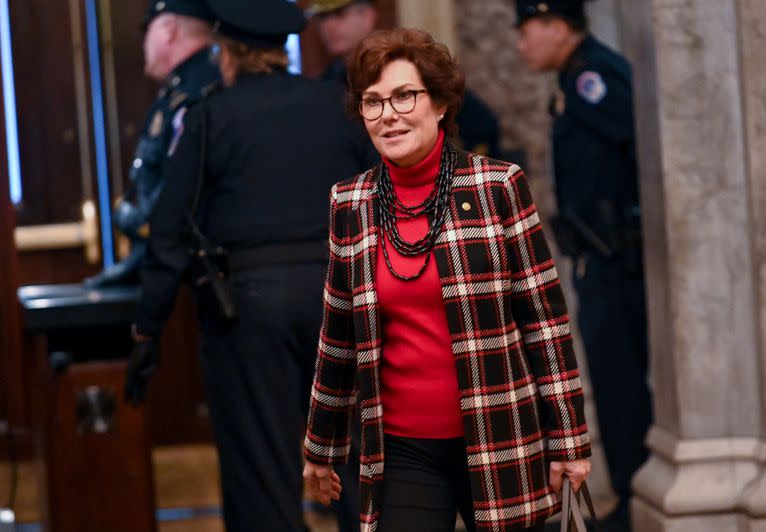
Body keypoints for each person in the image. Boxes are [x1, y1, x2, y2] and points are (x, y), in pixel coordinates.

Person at [303, 28, 592, 532]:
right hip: (402, 451)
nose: (388, 114)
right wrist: (321, 449)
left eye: (403, 96)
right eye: (372, 102)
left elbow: (545, 324)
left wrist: (568, 441)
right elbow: (338, 338)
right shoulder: (349, 203)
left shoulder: (495, 186)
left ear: (438, 104)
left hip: (497, 436)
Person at [123, 0, 376, 530]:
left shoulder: (211, 116)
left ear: (226, 53)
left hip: (248, 312)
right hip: (344, 298)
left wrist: (148, 329)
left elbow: (169, 231)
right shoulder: (338, 105)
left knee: (262, 468)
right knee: (361, 461)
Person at [516, 1, 653, 530]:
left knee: (618, 380)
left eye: (527, 30)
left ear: (556, 26)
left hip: (615, 258)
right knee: (613, 378)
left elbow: (641, 148)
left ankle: (632, 497)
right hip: (601, 254)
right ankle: (629, 494)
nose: (522, 45)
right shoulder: (576, 76)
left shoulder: (592, 77)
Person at [85, 0, 222, 288]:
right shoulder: (180, 88)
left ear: (169, 31)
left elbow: (181, 187)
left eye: (148, 31)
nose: (144, 43)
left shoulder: (198, 90)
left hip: (196, 269)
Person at [308, 0, 502, 158]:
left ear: (367, 16)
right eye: (322, 17)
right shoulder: (325, 84)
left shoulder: (410, 67)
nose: (329, 26)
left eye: (339, 15)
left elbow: (482, 126)